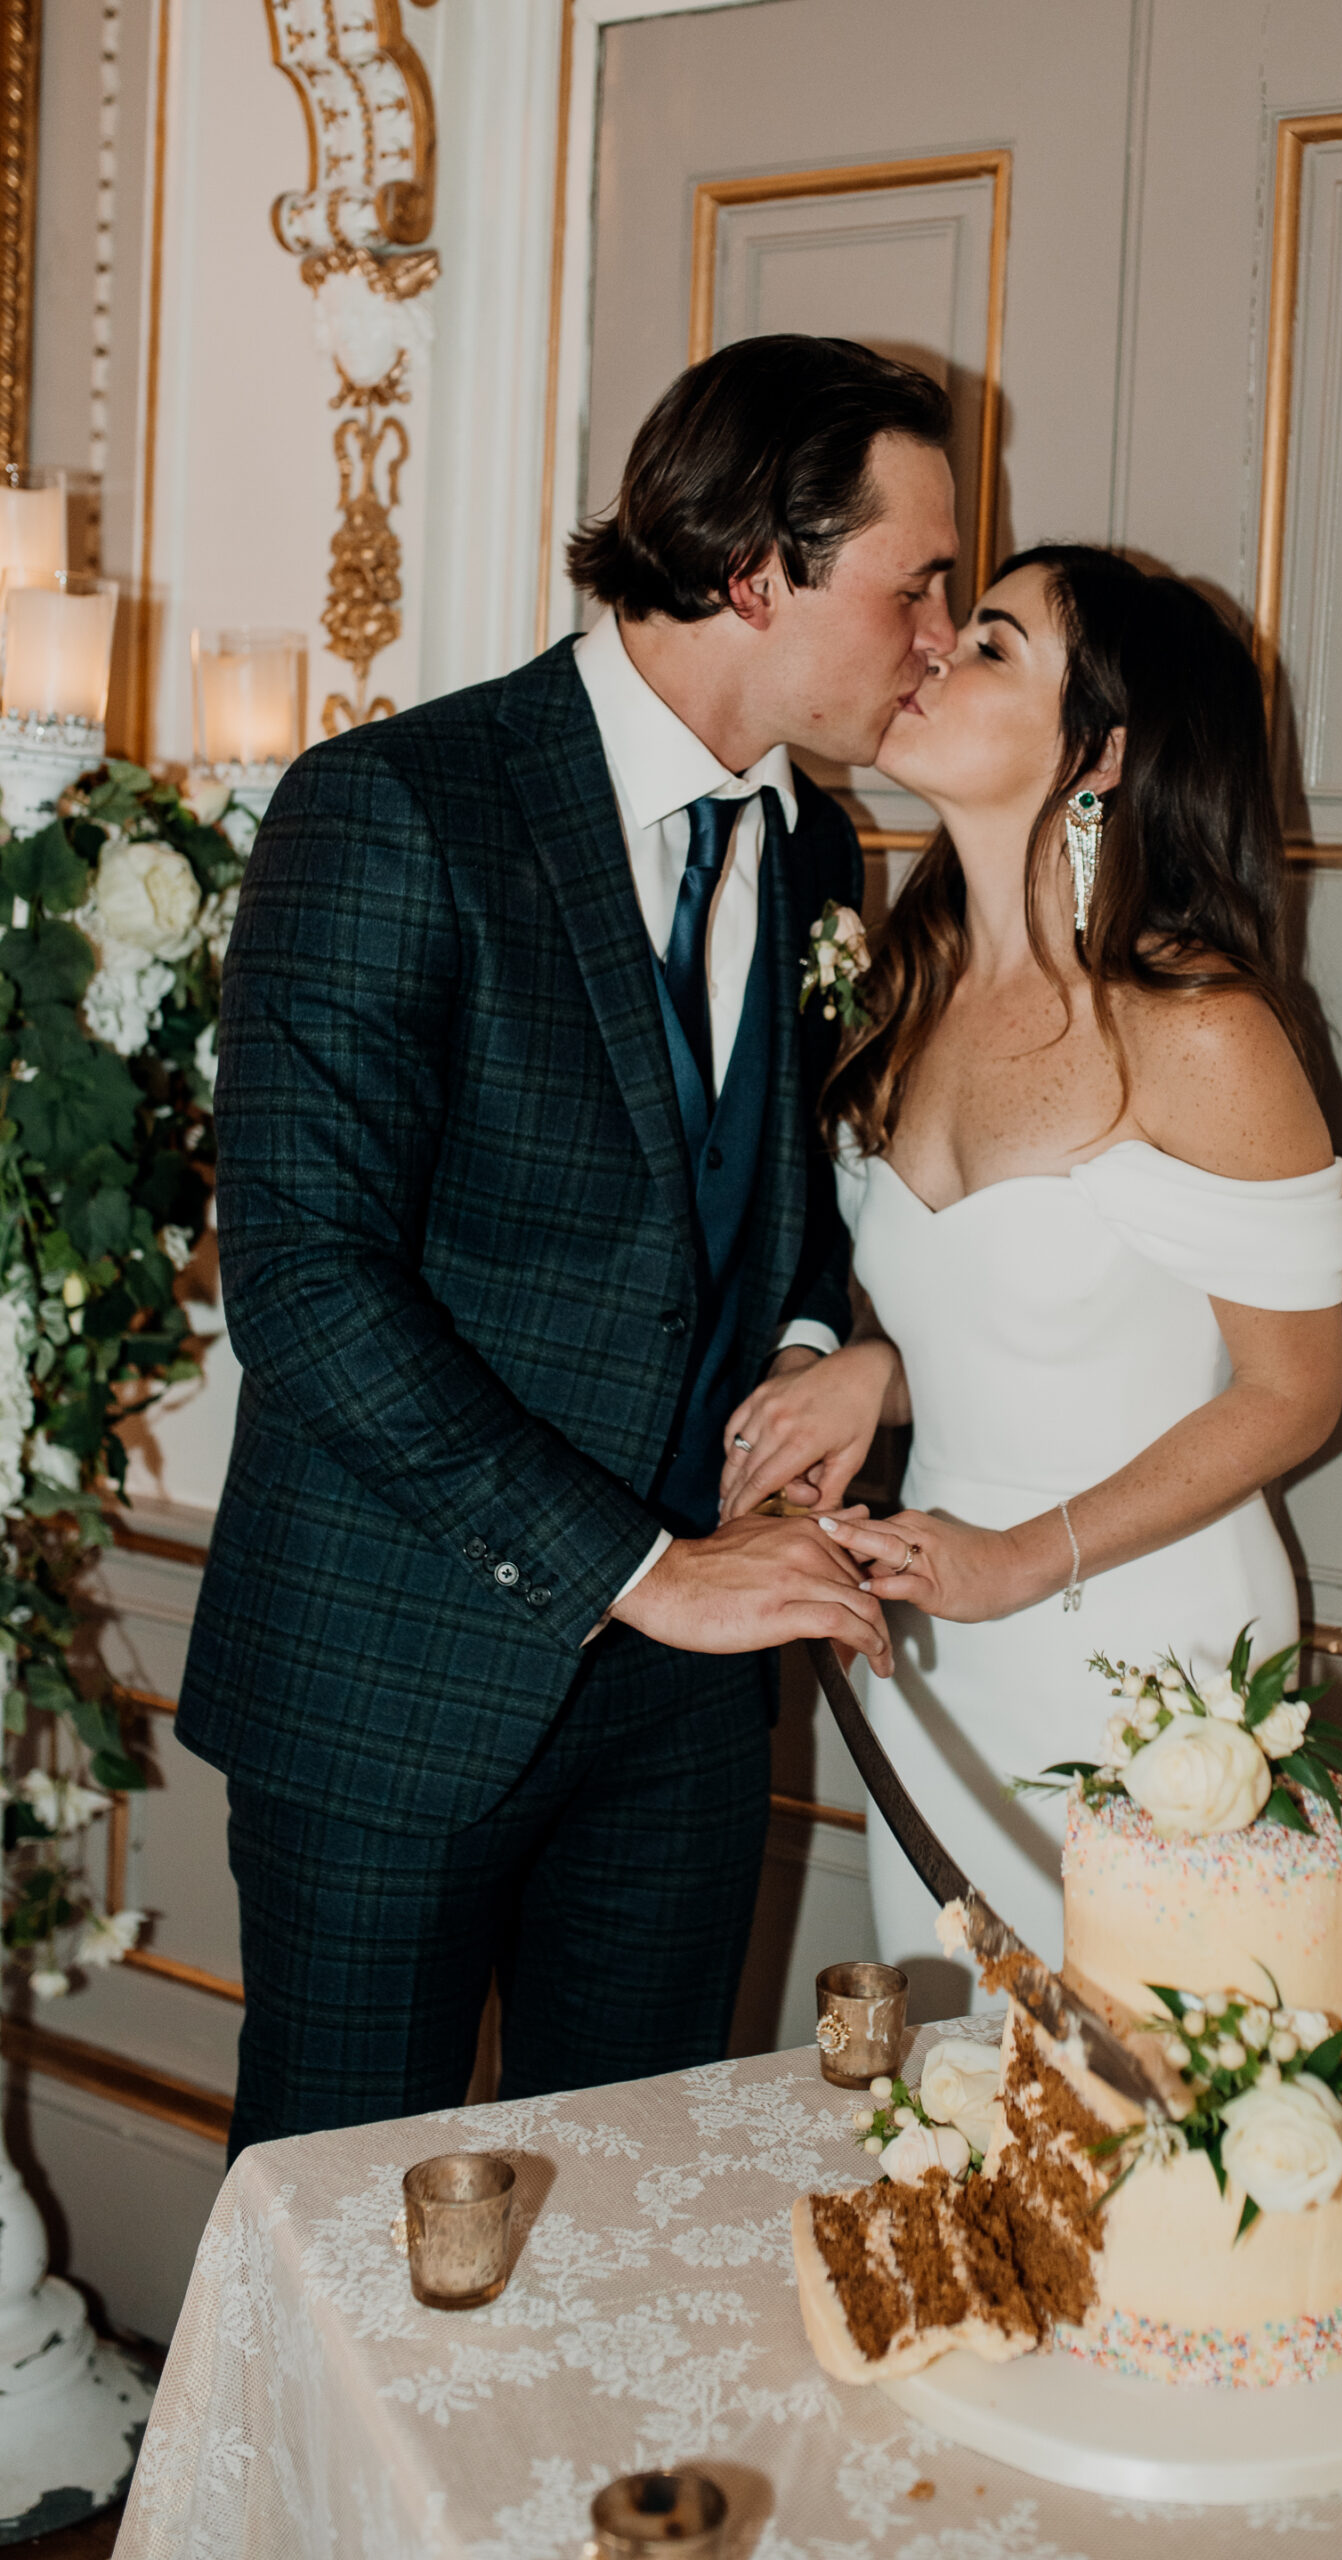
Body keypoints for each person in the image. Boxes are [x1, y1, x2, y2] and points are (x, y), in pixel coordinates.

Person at [176, 335, 960, 2152]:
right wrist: (640, 1567)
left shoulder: (820, 857)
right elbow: (303, 1286)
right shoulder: (397, 808)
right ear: (757, 568)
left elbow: (759, 1216)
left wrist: (791, 1362)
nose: (936, 633)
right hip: (394, 1684)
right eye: (911, 584)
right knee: (341, 2261)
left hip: (683, 1728)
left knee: (629, 2223)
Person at [718, 545, 1342, 1985]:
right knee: (964, 2116)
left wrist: (1023, 1558)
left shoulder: (1194, 1027)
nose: (933, 651)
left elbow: (1289, 1392)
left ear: (1102, 754)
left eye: (992, 644)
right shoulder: (906, 986)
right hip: (938, 1646)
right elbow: (998, 1299)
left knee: (1155, 2127)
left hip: (1145, 1654)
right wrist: (870, 1375)